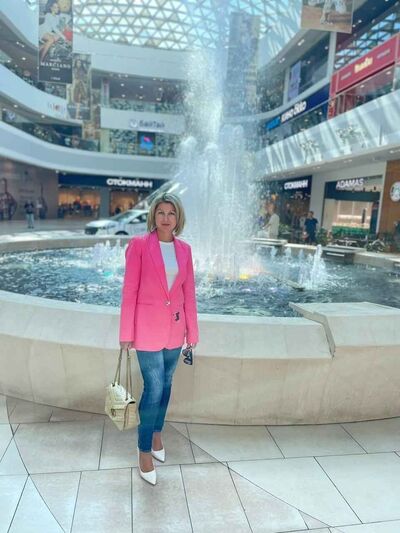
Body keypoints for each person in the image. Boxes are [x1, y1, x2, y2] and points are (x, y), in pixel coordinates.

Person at [119, 192, 198, 486]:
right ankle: (143, 450)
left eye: (171, 213)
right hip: (146, 330)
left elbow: (189, 293)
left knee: (166, 384)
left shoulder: (185, 250)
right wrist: (126, 333)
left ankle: (156, 433)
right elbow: (129, 291)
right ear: (154, 215)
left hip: (175, 330)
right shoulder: (139, 245)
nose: (166, 218)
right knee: (153, 387)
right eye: (161, 212)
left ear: (178, 218)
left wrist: (192, 332)